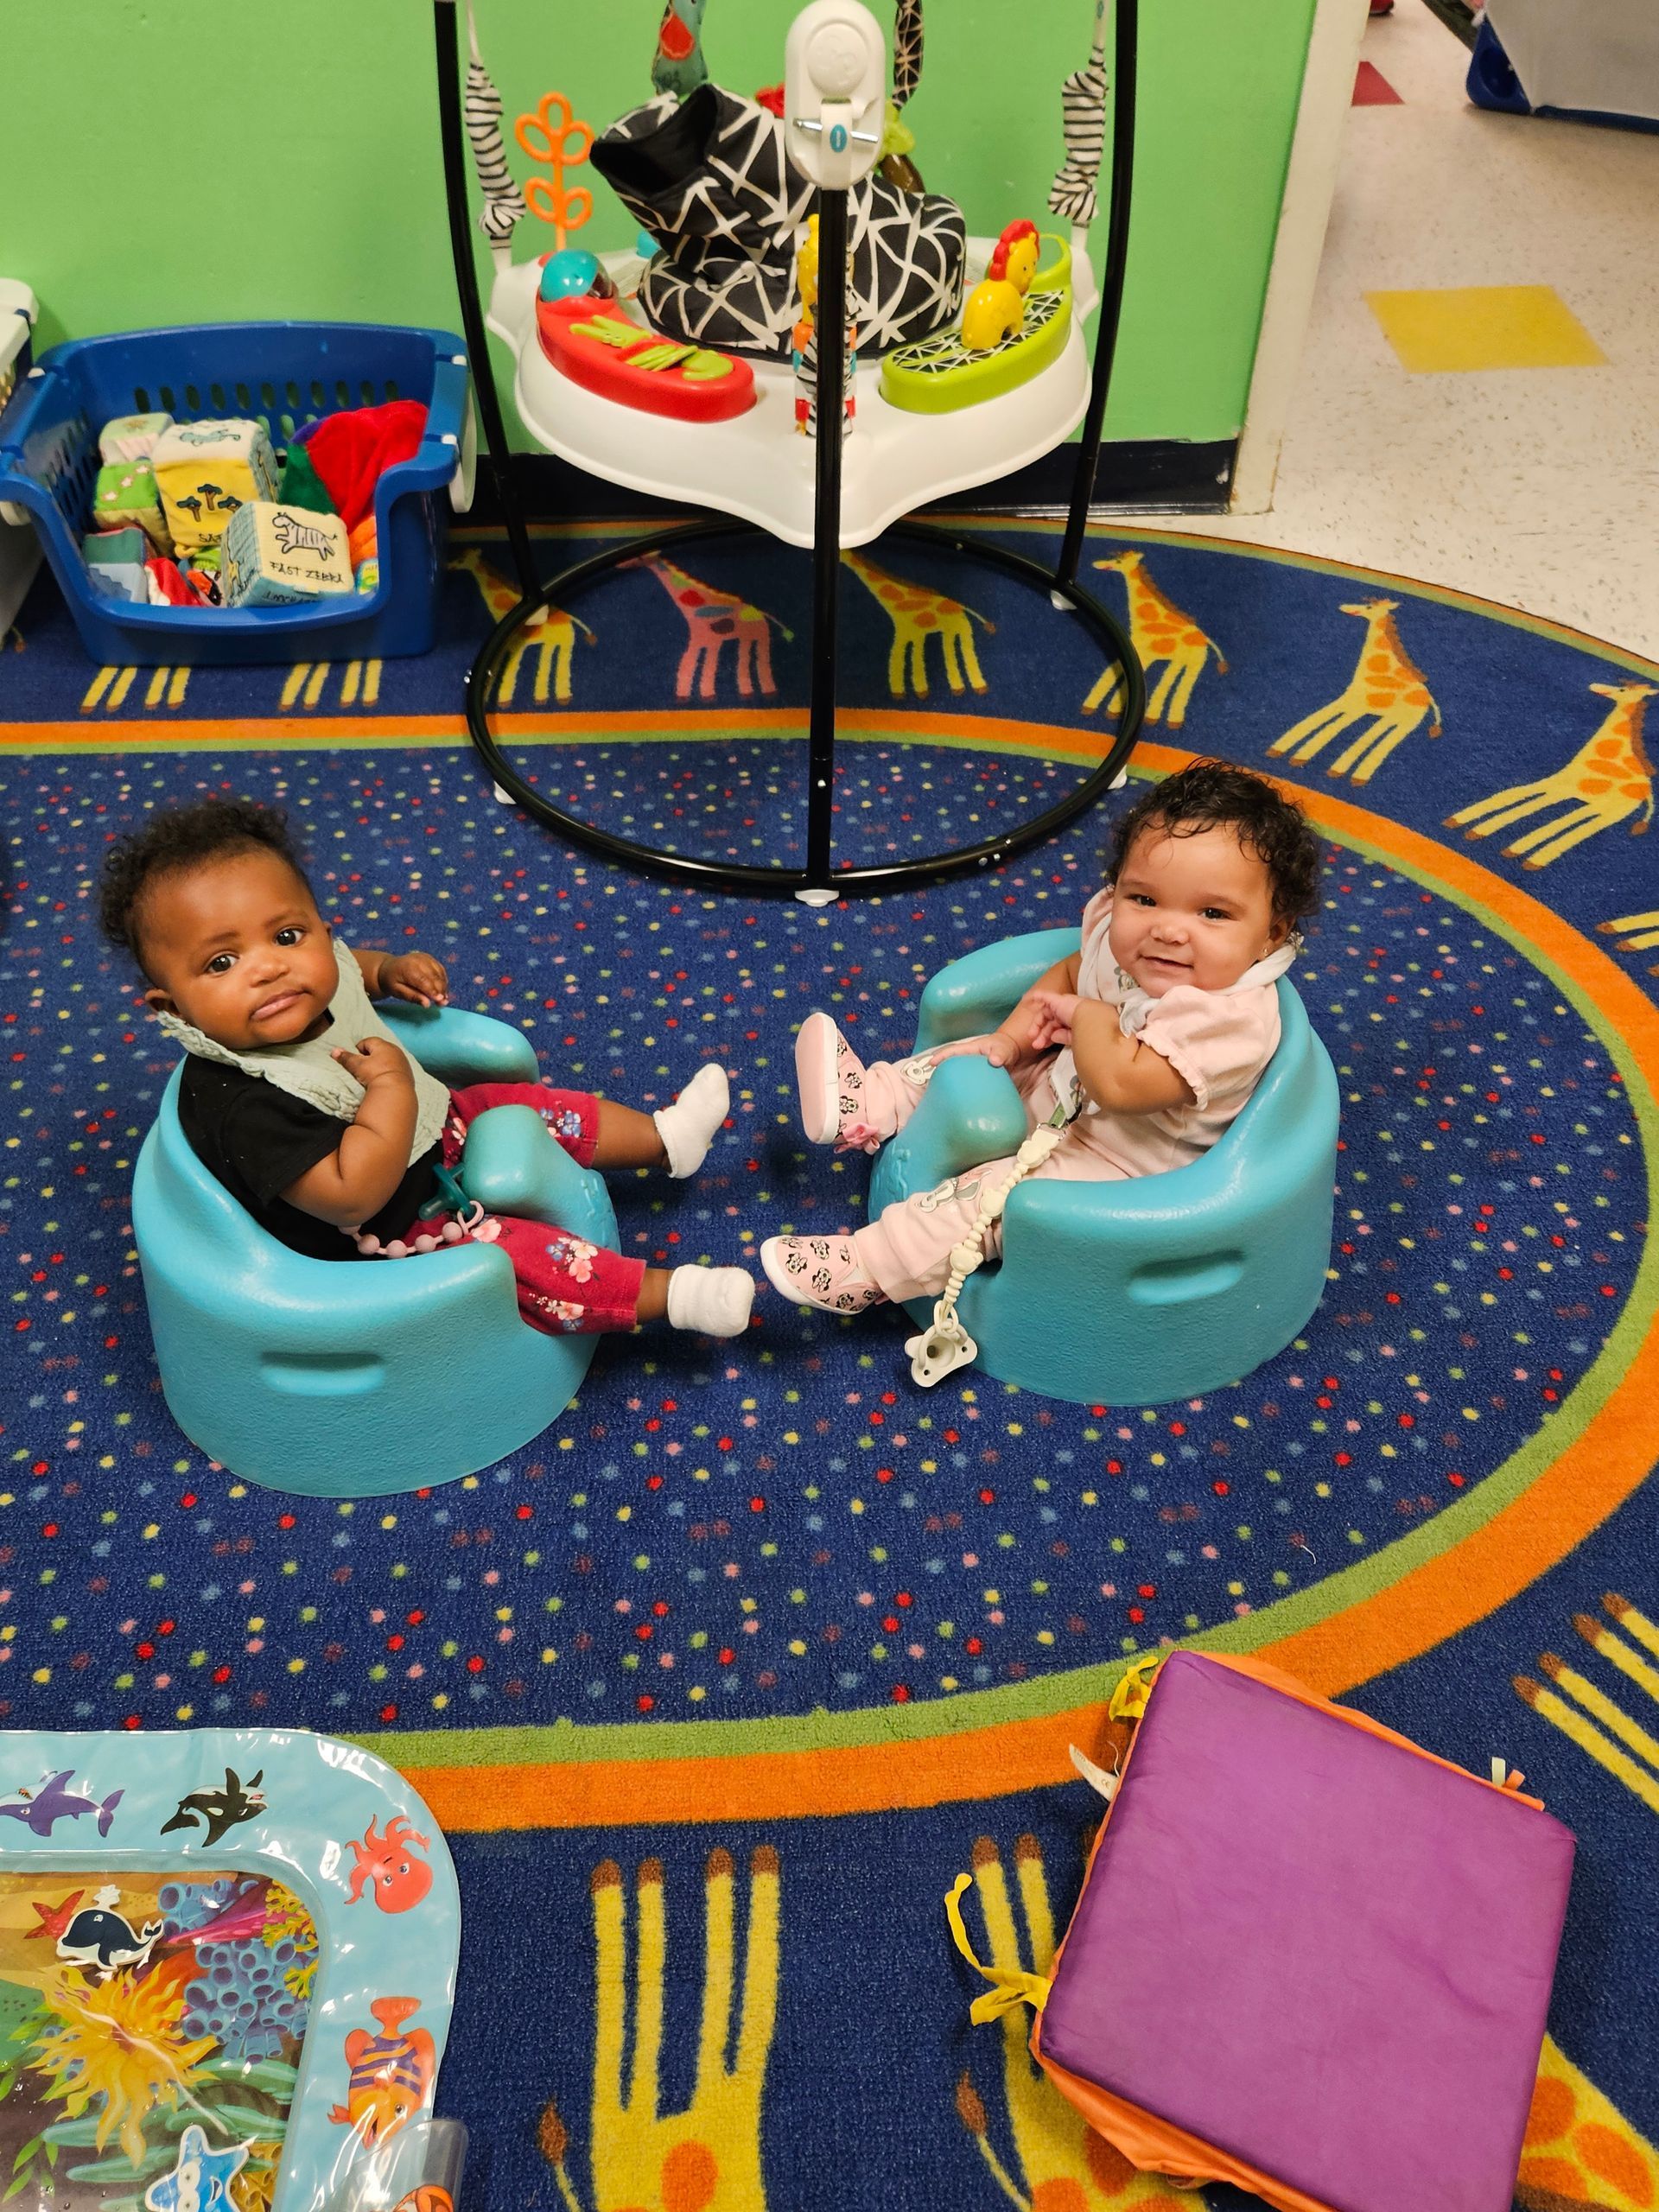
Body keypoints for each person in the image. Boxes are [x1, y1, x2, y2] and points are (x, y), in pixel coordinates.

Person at [102, 798, 753, 1338]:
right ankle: (676, 1297)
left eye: (286, 935)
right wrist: (388, 1090)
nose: (268, 966)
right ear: (172, 1007)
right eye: (221, 963)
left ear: (322, 930)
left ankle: (668, 1140)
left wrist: (390, 970)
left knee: (523, 1100)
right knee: (515, 1257)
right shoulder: (245, 1099)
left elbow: (352, 966)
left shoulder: (307, 981)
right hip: (391, 1233)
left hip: (439, 1134)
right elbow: (351, 1194)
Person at [760, 760, 1322, 1315]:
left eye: (1213, 913)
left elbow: (1126, 1085)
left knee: (990, 1200)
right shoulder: (1133, 945)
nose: (1167, 929)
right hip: (1068, 1082)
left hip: (1120, 1164)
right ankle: (868, 1102)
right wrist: (1010, 1039)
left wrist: (1085, 1019)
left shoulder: (1230, 1018)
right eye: (1144, 899)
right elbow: (1076, 972)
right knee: (966, 1057)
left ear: (1271, 933)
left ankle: (873, 1267)